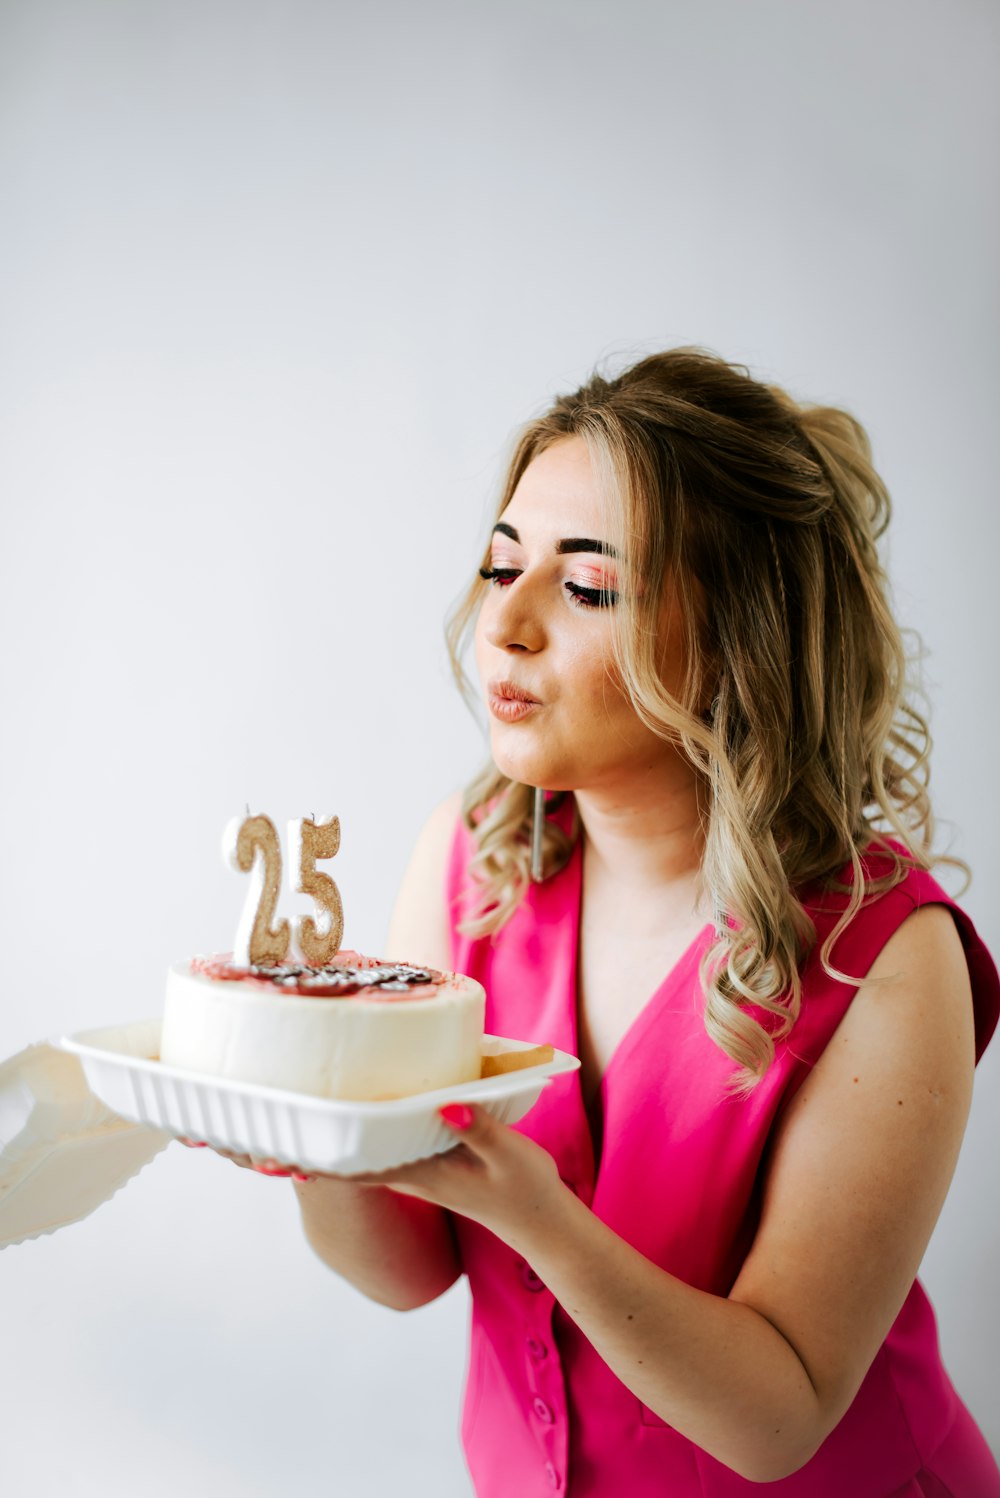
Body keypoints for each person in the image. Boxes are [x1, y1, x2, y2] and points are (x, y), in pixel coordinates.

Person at [213, 349, 1000, 1495]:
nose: (508, 626)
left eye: (585, 588)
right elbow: (406, 1270)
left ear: (740, 637)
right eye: (499, 567)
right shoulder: (471, 864)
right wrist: (318, 1150)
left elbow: (777, 1417)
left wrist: (543, 1220)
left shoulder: (885, 957)